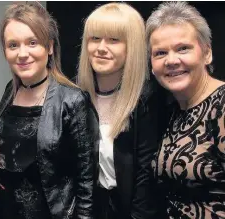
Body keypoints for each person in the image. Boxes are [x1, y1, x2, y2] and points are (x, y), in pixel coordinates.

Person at [0, 2, 99, 219]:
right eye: (13, 45)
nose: (22, 54)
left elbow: (86, 183)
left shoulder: (73, 100)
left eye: (32, 42)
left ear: (50, 47)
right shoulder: (10, 92)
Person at [77, 3, 169, 219]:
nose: (101, 47)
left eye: (113, 40)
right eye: (95, 38)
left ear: (132, 46)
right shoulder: (75, 97)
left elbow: (147, 179)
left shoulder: (148, 98)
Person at [146, 2, 225, 218]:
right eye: (160, 53)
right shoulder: (174, 111)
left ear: (207, 53)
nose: (171, 61)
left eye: (183, 48)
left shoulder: (222, 106)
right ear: (152, 65)